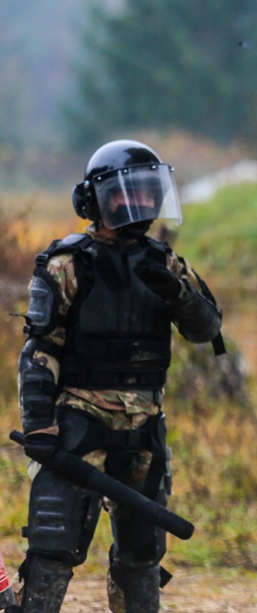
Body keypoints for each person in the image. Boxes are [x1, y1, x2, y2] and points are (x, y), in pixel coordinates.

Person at [14, 139, 224, 613]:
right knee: (52, 549)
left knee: (141, 558)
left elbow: (207, 329)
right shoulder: (69, 264)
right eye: (127, 195)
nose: (139, 205)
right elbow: (40, 351)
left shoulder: (165, 262)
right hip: (77, 426)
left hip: (144, 430)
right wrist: (40, 429)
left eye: (149, 193)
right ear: (96, 201)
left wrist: (177, 293)